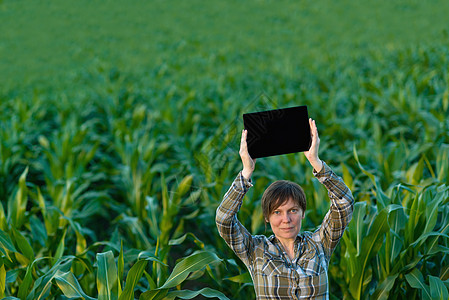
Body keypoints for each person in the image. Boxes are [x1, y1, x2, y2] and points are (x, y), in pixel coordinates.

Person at [216, 119, 354, 299]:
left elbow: (345, 203)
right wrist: (246, 172)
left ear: (303, 213)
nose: (286, 220)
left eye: (293, 211)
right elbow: (223, 219)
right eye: (277, 212)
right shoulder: (255, 250)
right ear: (266, 217)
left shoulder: (320, 244)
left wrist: (316, 162)